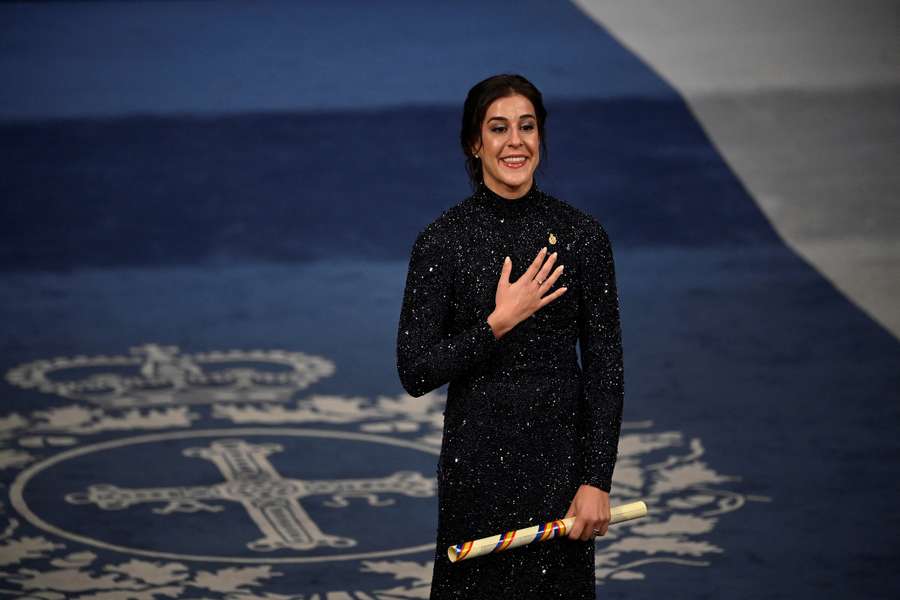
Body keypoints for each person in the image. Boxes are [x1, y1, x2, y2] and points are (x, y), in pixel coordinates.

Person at [396, 73, 624, 599]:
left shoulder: (582, 237)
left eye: (527, 126)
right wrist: (498, 323)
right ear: (475, 144)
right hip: (476, 473)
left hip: (560, 473)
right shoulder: (442, 242)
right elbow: (415, 370)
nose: (515, 142)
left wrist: (596, 480)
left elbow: (606, 371)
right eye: (498, 129)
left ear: (541, 136)